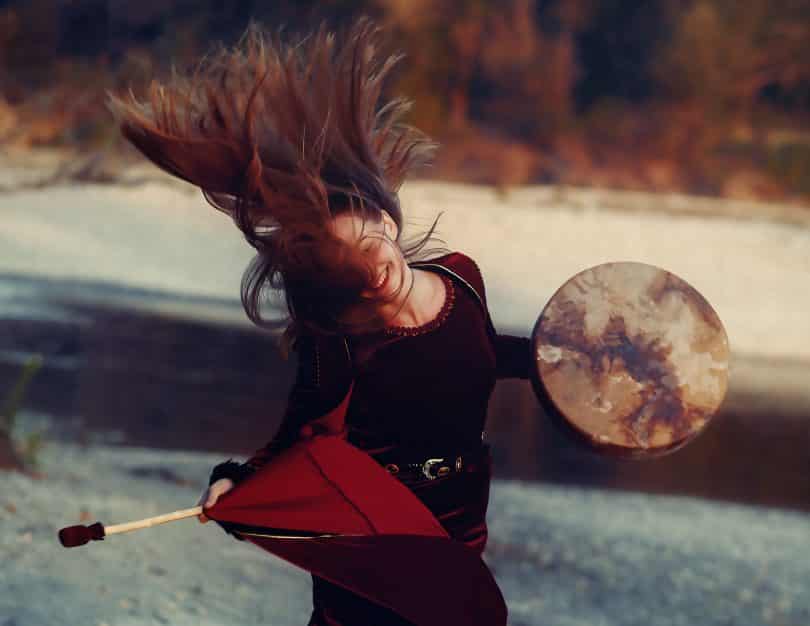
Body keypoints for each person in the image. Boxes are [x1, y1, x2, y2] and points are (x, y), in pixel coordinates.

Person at [107, 16, 531, 626]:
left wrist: (555, 359)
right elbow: (301, 430)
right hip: (373, 524)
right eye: (344, 268)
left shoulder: (463, 277)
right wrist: (237, 480)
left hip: (461, 513)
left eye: (362, 243)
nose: (368, 271)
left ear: (383, 218)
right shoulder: (343, 338)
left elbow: (483, 351)